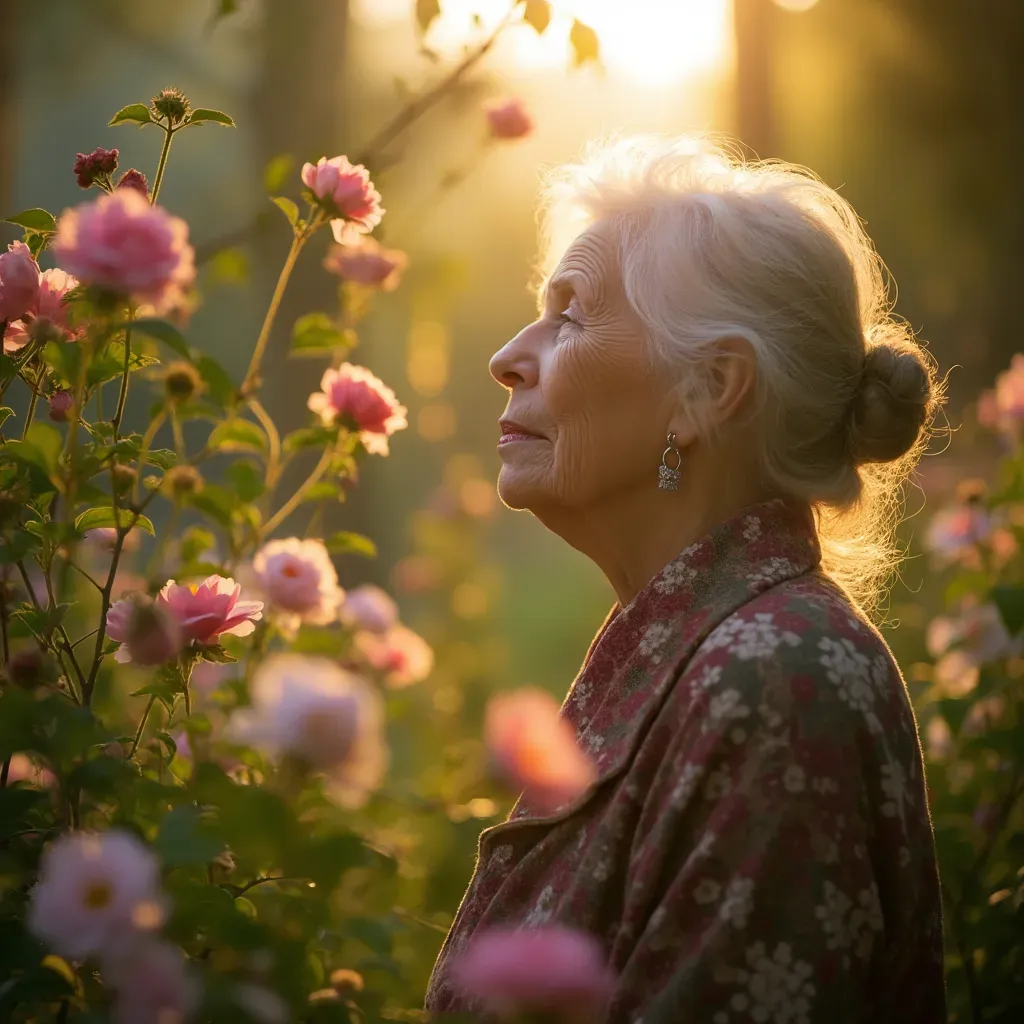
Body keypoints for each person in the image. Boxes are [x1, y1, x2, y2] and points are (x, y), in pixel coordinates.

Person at [425, 135, 946, 1023]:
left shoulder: (778, 679)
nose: (508, 357)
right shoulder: (708, 653)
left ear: (708, 390)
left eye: (572, 315)